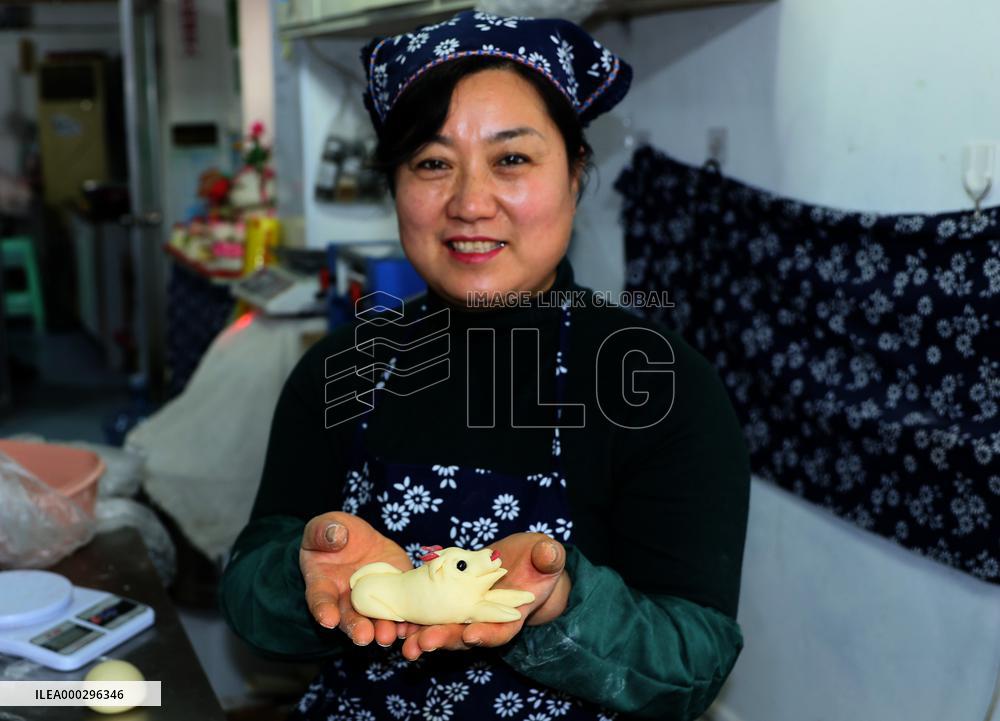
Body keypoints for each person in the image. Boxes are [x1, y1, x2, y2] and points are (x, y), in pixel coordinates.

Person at [220, 10, 750, 721]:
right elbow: (247, 591)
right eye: (432, 163)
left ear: (576, 173)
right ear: (395, 185)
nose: (470, 203)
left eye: (512, 160)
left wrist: (561, 605)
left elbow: (696, 662)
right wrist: (299, 574)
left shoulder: (658, 383)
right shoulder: (344, 366)